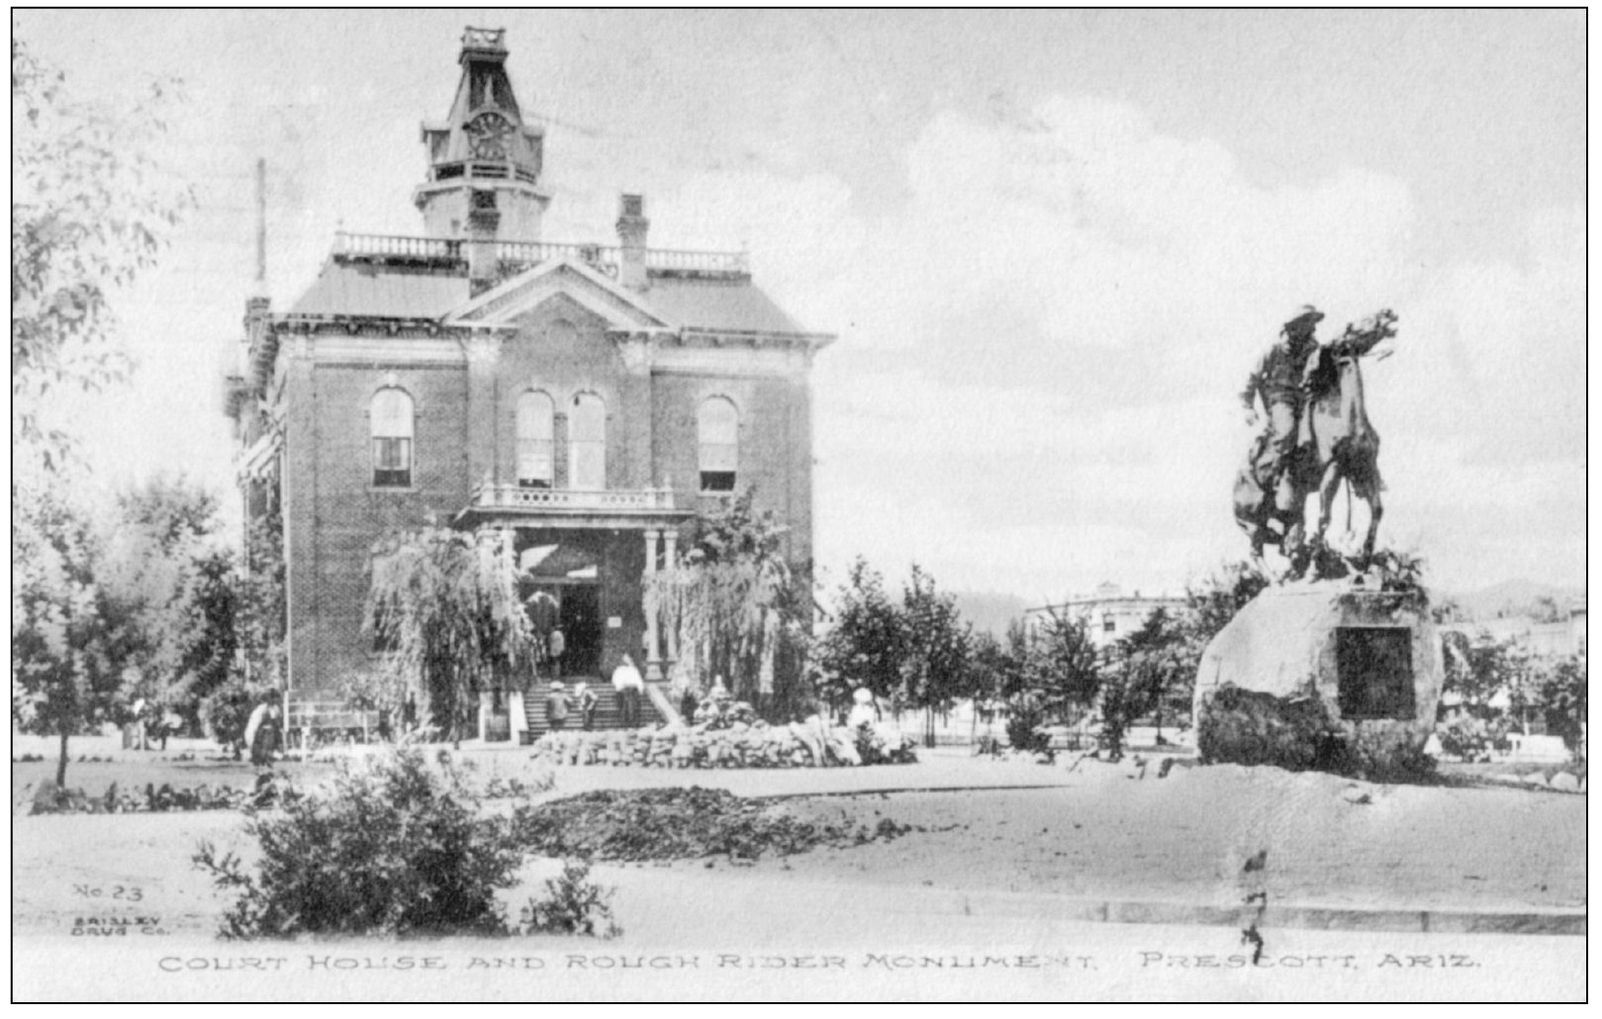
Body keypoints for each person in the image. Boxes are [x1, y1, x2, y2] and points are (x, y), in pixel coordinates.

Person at [1241, 305, 1324, 514]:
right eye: (1307, 322)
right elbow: (1251, 380)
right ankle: (1275, 477)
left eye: (1313, 323)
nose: (1311, 327)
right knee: (1286, 432)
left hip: (1305, 399)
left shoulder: (1314, 349)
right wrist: (1247, 406)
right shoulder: (1274, 351)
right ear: (1295, 326)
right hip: (1281, 399)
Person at [611, 655, 644, 728]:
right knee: (624, 707)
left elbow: (638, 680)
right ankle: (625, 723)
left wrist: (640, 689)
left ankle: (633, 723)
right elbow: (615, 680)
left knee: (633, 707)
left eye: (628, 660)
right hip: (623, 691)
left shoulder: (633, 670)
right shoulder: (619, 670)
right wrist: (619, 688)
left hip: (633, 690)